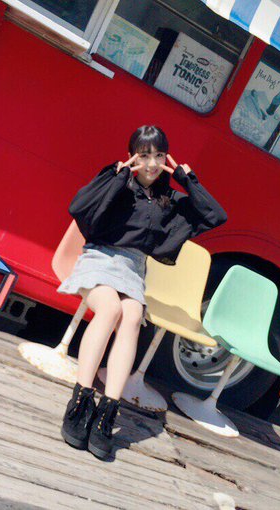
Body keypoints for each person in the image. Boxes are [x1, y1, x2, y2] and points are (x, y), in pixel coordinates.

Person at [57, 125, 227, 460]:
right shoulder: (118, 181)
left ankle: (107, 411)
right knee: (110, 310)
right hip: (100, 257)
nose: (151, 164)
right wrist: (119, 174)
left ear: (167, 159)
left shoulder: (169, 200)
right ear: (133, 156)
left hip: (133, 269)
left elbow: (216, 215)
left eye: (159, 156)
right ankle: (80, 400)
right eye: (145, 155)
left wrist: (187, 179)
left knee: (133, 317)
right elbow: (80, 206)